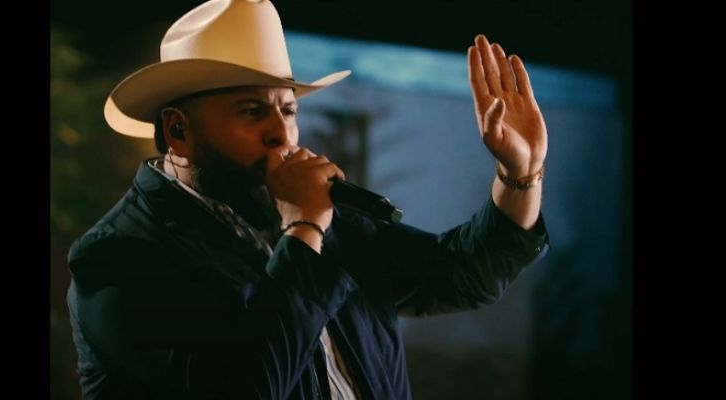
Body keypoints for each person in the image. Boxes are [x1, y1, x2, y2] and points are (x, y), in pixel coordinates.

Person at [66, 0, 550, 398]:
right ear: (178, 131)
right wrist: (304, 231)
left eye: (289, 110)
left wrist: (520, 173)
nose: (282, 134)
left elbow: (460, 275)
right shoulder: (119, 258)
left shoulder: (326, 218)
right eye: (252, 111)